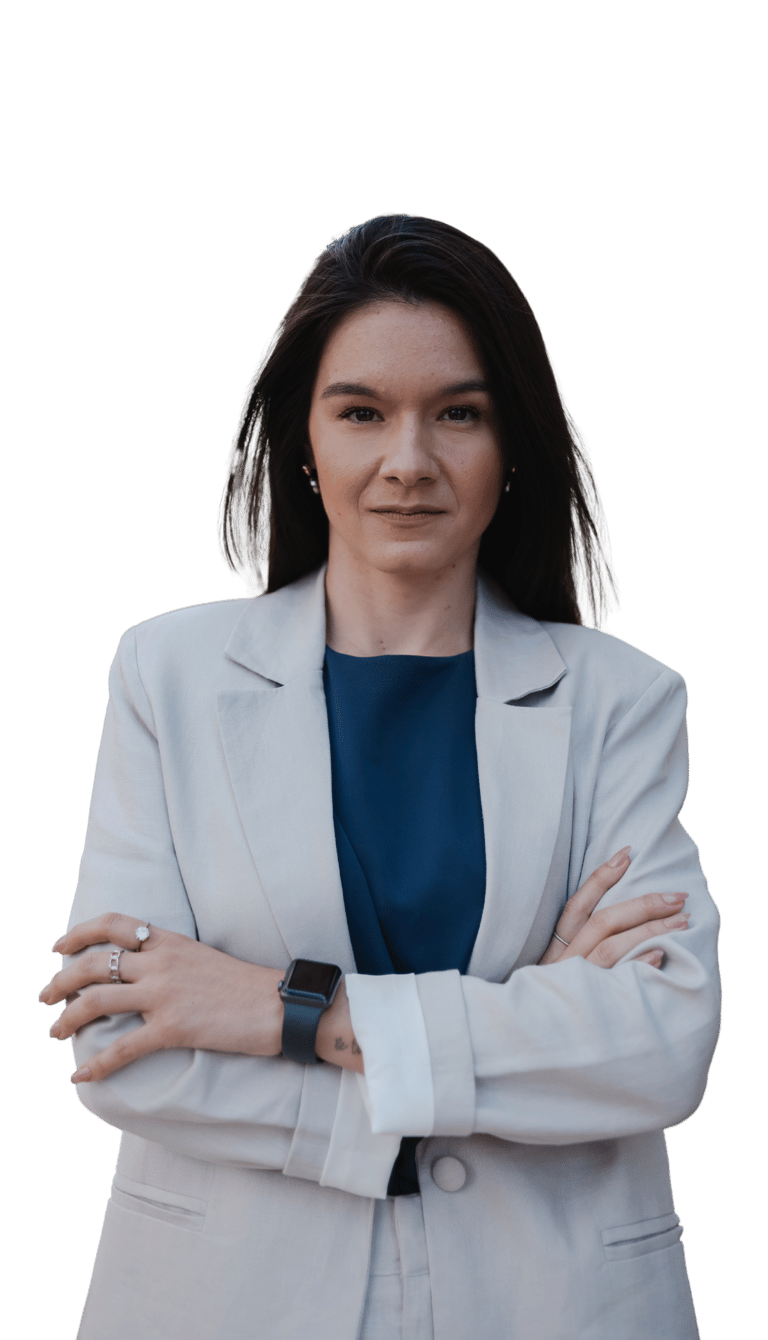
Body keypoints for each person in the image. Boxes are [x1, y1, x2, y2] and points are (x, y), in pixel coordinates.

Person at [38, 212, 721, 1340]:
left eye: (460, 413)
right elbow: (118, 1042)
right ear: (303, 441)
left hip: (551, 1298)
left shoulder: (623, 699)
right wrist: (510, 1041)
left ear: (513, 444)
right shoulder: (168, 675)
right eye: (361, 412)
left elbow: (658, 1043)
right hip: (230, 1298)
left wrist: (286, 1010)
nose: (409, 461)